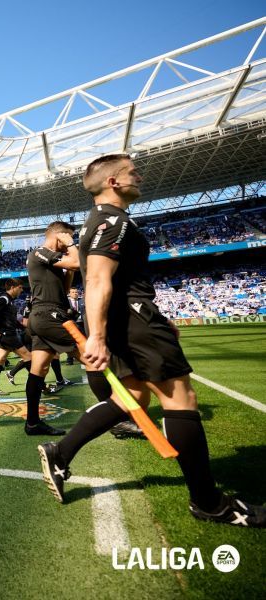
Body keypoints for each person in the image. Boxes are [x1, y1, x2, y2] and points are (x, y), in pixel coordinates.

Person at [38, 153, 265, 527]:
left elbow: (109, 277)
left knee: (130, 398)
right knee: (180, 398)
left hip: (131, 318)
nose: (139, 177)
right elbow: (97, 279)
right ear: (113, 181)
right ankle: (209, 503)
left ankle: (60, 453)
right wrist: (97, 336)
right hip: (133, 319)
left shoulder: (104, 220)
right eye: (132, 172)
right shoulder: (112, 221)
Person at [22, 221, 92, 437]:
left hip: (45, 315)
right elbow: (77, 262)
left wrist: (68, 271)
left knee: (39, 369)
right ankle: (118, 415)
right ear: (58, 235)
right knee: (92, 357)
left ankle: (32, 423)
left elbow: (64, 288)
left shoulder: (52, 261)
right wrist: (71, 244)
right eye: (67, 236)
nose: (69, 241)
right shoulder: (40, 252)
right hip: (48, 315)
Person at [0, 279, 31, 395]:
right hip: (8, 335)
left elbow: (12, 320)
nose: (22, 290)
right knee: (28, 357)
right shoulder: (3, 299)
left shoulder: (9, 301)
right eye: (20, 287)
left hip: (6, 335)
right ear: (12, 287)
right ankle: (41, 386)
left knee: (0, 359)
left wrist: (24, 328)